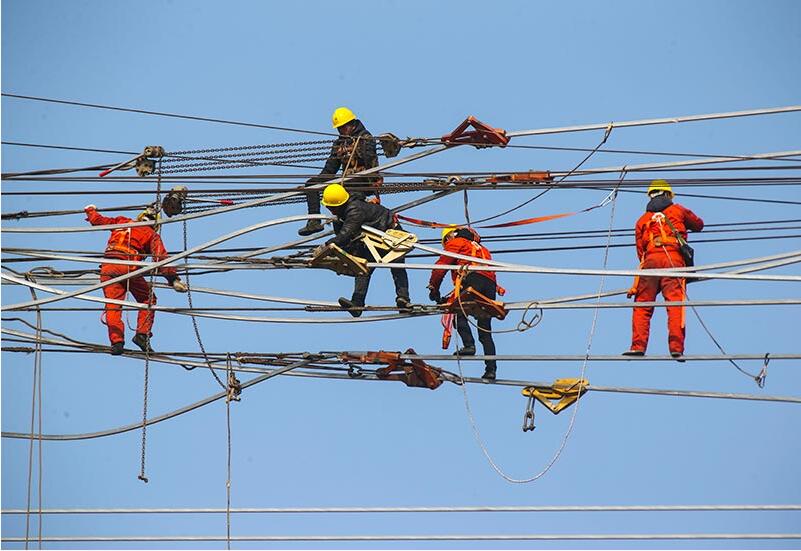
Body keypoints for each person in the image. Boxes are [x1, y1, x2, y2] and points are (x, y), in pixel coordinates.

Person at [85, 204, 188, 355]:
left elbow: (98, 220)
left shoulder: (122, 221)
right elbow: (160, 259)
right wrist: (173, 279)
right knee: (148, 299)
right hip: (128, 267)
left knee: (113, 306)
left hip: (108, 267)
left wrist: (90, 210)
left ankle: (117, 343)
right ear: (156, 225)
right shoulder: (151, 234)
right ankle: (142, 334)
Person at [623, 179, 704, 360]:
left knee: (642, 306)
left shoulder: (642, 220)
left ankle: (638, 347)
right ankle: (676, 348)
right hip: (674, 262)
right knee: (675, 305)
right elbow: (699, 224)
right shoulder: (678, 210)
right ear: (668, 195)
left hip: (650, 262)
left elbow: (640, 251)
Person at [319, 183, 410, 316]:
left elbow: (346, 234)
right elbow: (343, 237)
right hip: (376, 237)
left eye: (330, 207)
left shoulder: (354, 210)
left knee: (396, 265)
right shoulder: (345, 211)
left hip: (392, 234)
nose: (329, 209)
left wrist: (328, 245)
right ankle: (357, 304)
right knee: (362, 268)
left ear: (338, 204)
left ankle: (403, 299)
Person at [427, 227, 500, 381]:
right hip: (490, 286)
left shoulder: (456, 242)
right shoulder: (482, 248)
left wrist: (434, 289)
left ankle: (469, 346)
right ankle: (491, 369)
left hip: (473, 279)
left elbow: (441, 267)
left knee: (457, 312)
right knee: (485, 330)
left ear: (451, 236)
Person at [299, 107, 381, 236]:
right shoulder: (339, 143)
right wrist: (317, 183)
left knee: (344, 205)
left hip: (362, 182)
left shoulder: (365, 138)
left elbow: (371, 161)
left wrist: (375, 181)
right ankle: (314, 222)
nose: (341, 130)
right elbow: (330, 168)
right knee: (311, 184)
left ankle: (345, 231)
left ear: (352, 124)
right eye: (339, 128)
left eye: (343, 127)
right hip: (346, 180)